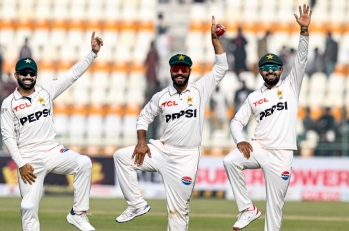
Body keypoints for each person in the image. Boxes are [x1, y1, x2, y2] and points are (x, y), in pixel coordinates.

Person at [113, 16, 228, 231]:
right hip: (162, 151)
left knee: (178, 211)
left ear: (190, 71)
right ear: (170, 71)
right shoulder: (161, 96)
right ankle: (136, 204)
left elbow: (221, 67)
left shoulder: (200, 89)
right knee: (121, 157)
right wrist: (141, 142)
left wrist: (215, 40)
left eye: (184, 68)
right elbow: (143, 117)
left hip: (187, 157)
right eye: (176, 69)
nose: (180, 72)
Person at [0, 32, 103, 231]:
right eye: (24, 73)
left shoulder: (46, 91)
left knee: (84, 163)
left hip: (52, 150)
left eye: (31, 73)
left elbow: (72, 75)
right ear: (16, 76)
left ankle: (78, 214)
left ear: (36, 75)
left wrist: (92, 53)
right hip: (28, 159)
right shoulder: (8, 104)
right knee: (28, 207)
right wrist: (21, 164)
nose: (28, 77)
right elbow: (8, 137)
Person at [223, 5, 311, 231]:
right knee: (230, 161)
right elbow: (235, 122)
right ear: (260, 71)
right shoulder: (254, 97)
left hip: (282, 155)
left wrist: (303, 33)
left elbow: (301, 61)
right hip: (258, 147)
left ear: (281, 71)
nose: (270, 71)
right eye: (266, 67)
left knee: (275, 209)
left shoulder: (291, 86)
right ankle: (247, 209)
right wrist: (240, 140)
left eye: (274, 67)